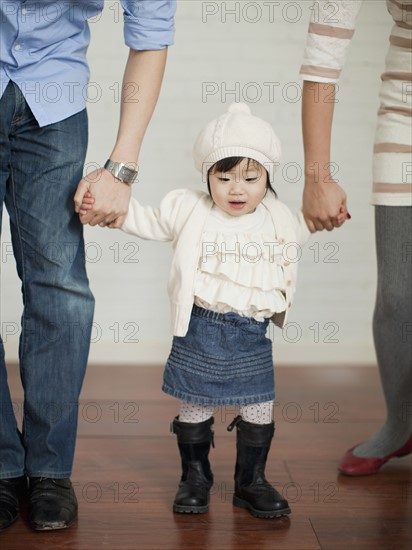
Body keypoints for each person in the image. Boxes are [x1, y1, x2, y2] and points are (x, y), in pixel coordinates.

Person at [80, 103, 311, 518]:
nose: (236, 189)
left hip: (251, 333)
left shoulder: (277, 216)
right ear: (206, 177)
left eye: (250, 178)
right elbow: (147, 220)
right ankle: (195, 477)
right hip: (201, 326)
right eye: (223, 178)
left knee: (259, 404)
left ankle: (250, 481)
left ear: (268, 178)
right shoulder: (189, 207)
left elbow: (304, 230)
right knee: (195, 404)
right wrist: (106, 206)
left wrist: (325, 216)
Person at [0, 0, 176, 532]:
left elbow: (151, 30)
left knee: (60, 287)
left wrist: (120, 168)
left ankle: (49, 469)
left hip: (53, 101)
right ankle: (3, 465)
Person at [300, 0, 411, 474]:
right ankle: (402, 424)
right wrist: (317, 177)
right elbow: (323, 56)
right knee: (397, 295)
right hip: (405, 114)